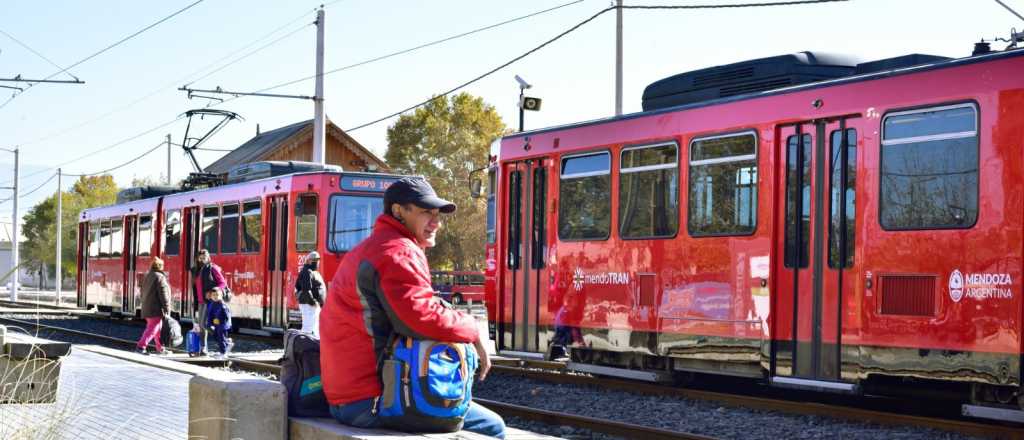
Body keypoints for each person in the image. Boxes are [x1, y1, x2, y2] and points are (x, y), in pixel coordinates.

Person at [320, 177, 505, 439]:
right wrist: (472, 329)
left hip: (346, 397)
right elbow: (419, 319)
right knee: (493, 428)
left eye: (437, 214)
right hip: (371, 400)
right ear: (398, 211)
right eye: (425, 212)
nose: (436, 222)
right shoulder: (397, 251)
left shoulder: (369, 247)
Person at [192, 249, 226, 355]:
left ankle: (223, 340)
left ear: (208, 257)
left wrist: (212, 292)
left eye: (204, 258)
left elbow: (222, 283)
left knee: (205, 324)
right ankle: (203, 348)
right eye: (200, 258)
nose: (202, 260)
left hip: (210, 301)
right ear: (197, 258)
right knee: (201, 326)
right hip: (201, 301)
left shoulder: (212, 268)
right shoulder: (197, 270)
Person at [136, 257, 172, 355]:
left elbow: (141, 292)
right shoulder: (160, 277)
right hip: (155, 308)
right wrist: (167, 308)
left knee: (157, 329)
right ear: (160, 266)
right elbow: (163, 294)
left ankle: (160, 348)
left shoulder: (148, 276)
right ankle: (141, 346)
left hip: (147, 307)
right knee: (152, 329)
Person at [295, 251, 325, 337]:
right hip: (308, 304)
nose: (317, 262)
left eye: (318, 260)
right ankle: (303, 348)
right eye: (314, 260)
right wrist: (313, 302)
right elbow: (306, 290)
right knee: (308, 328)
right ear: (308, 261)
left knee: (315, 328)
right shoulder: (307, 271)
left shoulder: (313, 272)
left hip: (313, 305)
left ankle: (314, 347)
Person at [205, 287, 233, 358]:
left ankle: (223, 352)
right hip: (216, 324)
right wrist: (209, 324)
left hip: (223, 324)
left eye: (217, 295)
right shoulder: (212, 304)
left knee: (221, 337)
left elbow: (227, 316)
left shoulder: (223, 305)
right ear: (211, 296)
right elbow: (210, 314)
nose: (215, 297)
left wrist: (222, 323)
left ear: (221, 296)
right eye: (213, 295)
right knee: (215, 335)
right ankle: (227, 343)